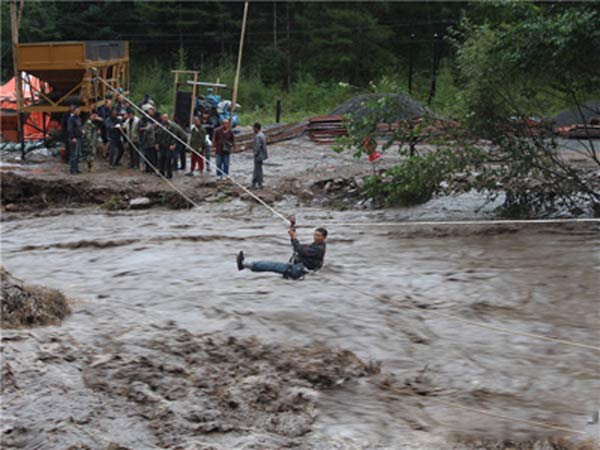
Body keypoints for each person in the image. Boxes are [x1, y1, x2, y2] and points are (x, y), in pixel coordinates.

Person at [237, 227, 327, 280]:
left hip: (298, 270)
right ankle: (246, 266)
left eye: (318, 236)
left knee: (272, 265)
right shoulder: (316, 245)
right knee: (271, 267)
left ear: (324, 237)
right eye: (314, 235)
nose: (315, 237)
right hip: (298, 269)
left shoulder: (319, 248)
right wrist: (293, 237)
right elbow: (300, 248)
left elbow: (301, 251)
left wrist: (294, 238)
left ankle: (244, 264)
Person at [155, 113, 177, 179]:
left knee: (168, 160)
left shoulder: (172, 126)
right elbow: (158, 135)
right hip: (162, 145)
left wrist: (173, 144)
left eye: (166, 118)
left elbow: (174, 136)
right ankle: (161, 172)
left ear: (168, 118)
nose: (164, 119)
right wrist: (157, 143)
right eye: (163, 117)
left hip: (169, 145)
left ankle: (169, 174)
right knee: (161, 159)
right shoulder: (160, 126)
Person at [67, 106, 83, 175]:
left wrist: (82, 132)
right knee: (74, 154)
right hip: (74, 138)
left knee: (77, 154)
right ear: (73, 111)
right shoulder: (71, 119)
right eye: (77, 111)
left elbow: (79, 127)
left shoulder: (78, 118)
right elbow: (70, 129)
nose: (78, 112)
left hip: (79, 137)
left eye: (79, 111)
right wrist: (72, 137)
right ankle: (72, 170)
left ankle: (76, 168)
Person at [251, 122, 268, 188]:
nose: (253, 130)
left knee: (257, 169)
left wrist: (255, 153)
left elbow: (257, 147)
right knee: (258, 168)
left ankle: (257, 182)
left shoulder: (258, 136)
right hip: (262, 154)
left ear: (256, 128)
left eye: (253, 128)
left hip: (258, 155)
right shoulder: (262, 135)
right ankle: (257, 182)